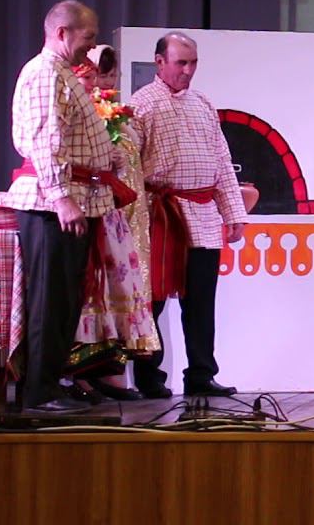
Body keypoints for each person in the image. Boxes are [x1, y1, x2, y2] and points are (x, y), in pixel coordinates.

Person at [6, 0, 125, 412]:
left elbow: (73, 135)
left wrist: (107, 158)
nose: (92, 45)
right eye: (88, 37)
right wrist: (61, 198)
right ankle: (39, 392)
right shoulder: (45, 73)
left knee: (65, 300)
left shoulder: (62, 73)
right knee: (49, 300)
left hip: (71, 198)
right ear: (62, 33)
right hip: (50, 204)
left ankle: (50, 382)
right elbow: (45, 140)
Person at [130, 31, 248, 398]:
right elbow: (130, 168)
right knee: (153, 299)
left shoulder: (203, 103)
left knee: (200, 301)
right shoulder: (140, 105)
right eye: (181, 62)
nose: (188, 70)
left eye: (193, 62)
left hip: (203, 215)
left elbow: (222, 161)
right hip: (161, 214)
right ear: (159, 62)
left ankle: (200, 374)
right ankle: (149, 376)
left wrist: (234, 213)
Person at [60, 54, 159, 402]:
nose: (102, 82)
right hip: (87, 209)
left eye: (108, 74)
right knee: (89, 293)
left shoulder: (116, 115)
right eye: (93, 75)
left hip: (118, 214)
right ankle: (80, 375)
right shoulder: (73, 114)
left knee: (113, 295)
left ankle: (109, 373)